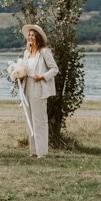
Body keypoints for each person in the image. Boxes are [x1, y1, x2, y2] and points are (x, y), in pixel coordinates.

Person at [20, 23, 59, 158]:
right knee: (29, 118)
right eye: (29, 35)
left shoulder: (44, 52)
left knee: (39, 120)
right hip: (27, 86)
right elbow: (24, 69)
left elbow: (55, 69)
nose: (30, 37)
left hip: (39, 86)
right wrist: (18, 75)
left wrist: (42, 77)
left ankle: (42, 152)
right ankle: (33, 151)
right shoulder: (26, 53)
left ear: (37, 37)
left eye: (32, 35)